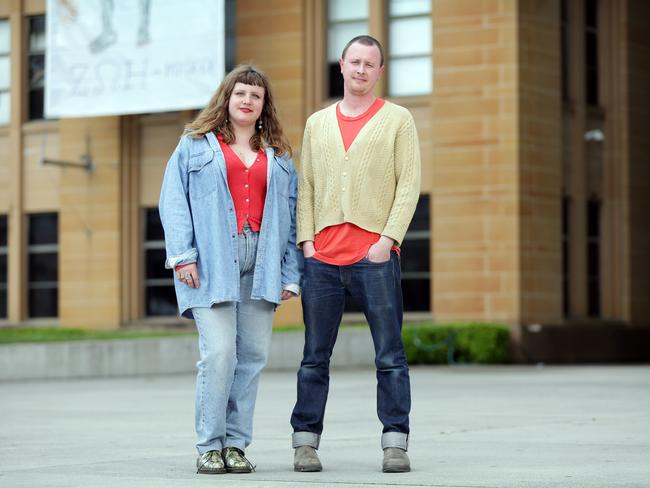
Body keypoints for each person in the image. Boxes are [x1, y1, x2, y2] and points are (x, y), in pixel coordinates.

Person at [159, 64, 301, 474]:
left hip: (262, 262)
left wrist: (290, 272)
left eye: (255, 96)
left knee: (251, 358)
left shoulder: (279, 158)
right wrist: (182, 255)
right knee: (220, 354)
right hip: (211, 260)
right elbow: (173, 201)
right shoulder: (194, 145)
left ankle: (236, 445)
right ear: (227, 97)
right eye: (240, 93)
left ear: (263, 106)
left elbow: (291, 218)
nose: (247, 100)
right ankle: (209, 445)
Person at [290, 35, 421, 473]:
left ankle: (395, 444)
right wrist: (307, 243)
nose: (362, 70)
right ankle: (305, 444)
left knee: (389, 354)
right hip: (322, 260)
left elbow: (408, 185)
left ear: (379, 71)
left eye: (371, 64)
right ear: (341, 66)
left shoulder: (398, 119)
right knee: (314, 356)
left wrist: (386, 241)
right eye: (355, 62)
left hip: (374, 258)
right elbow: (305, 186)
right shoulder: (316, 123)